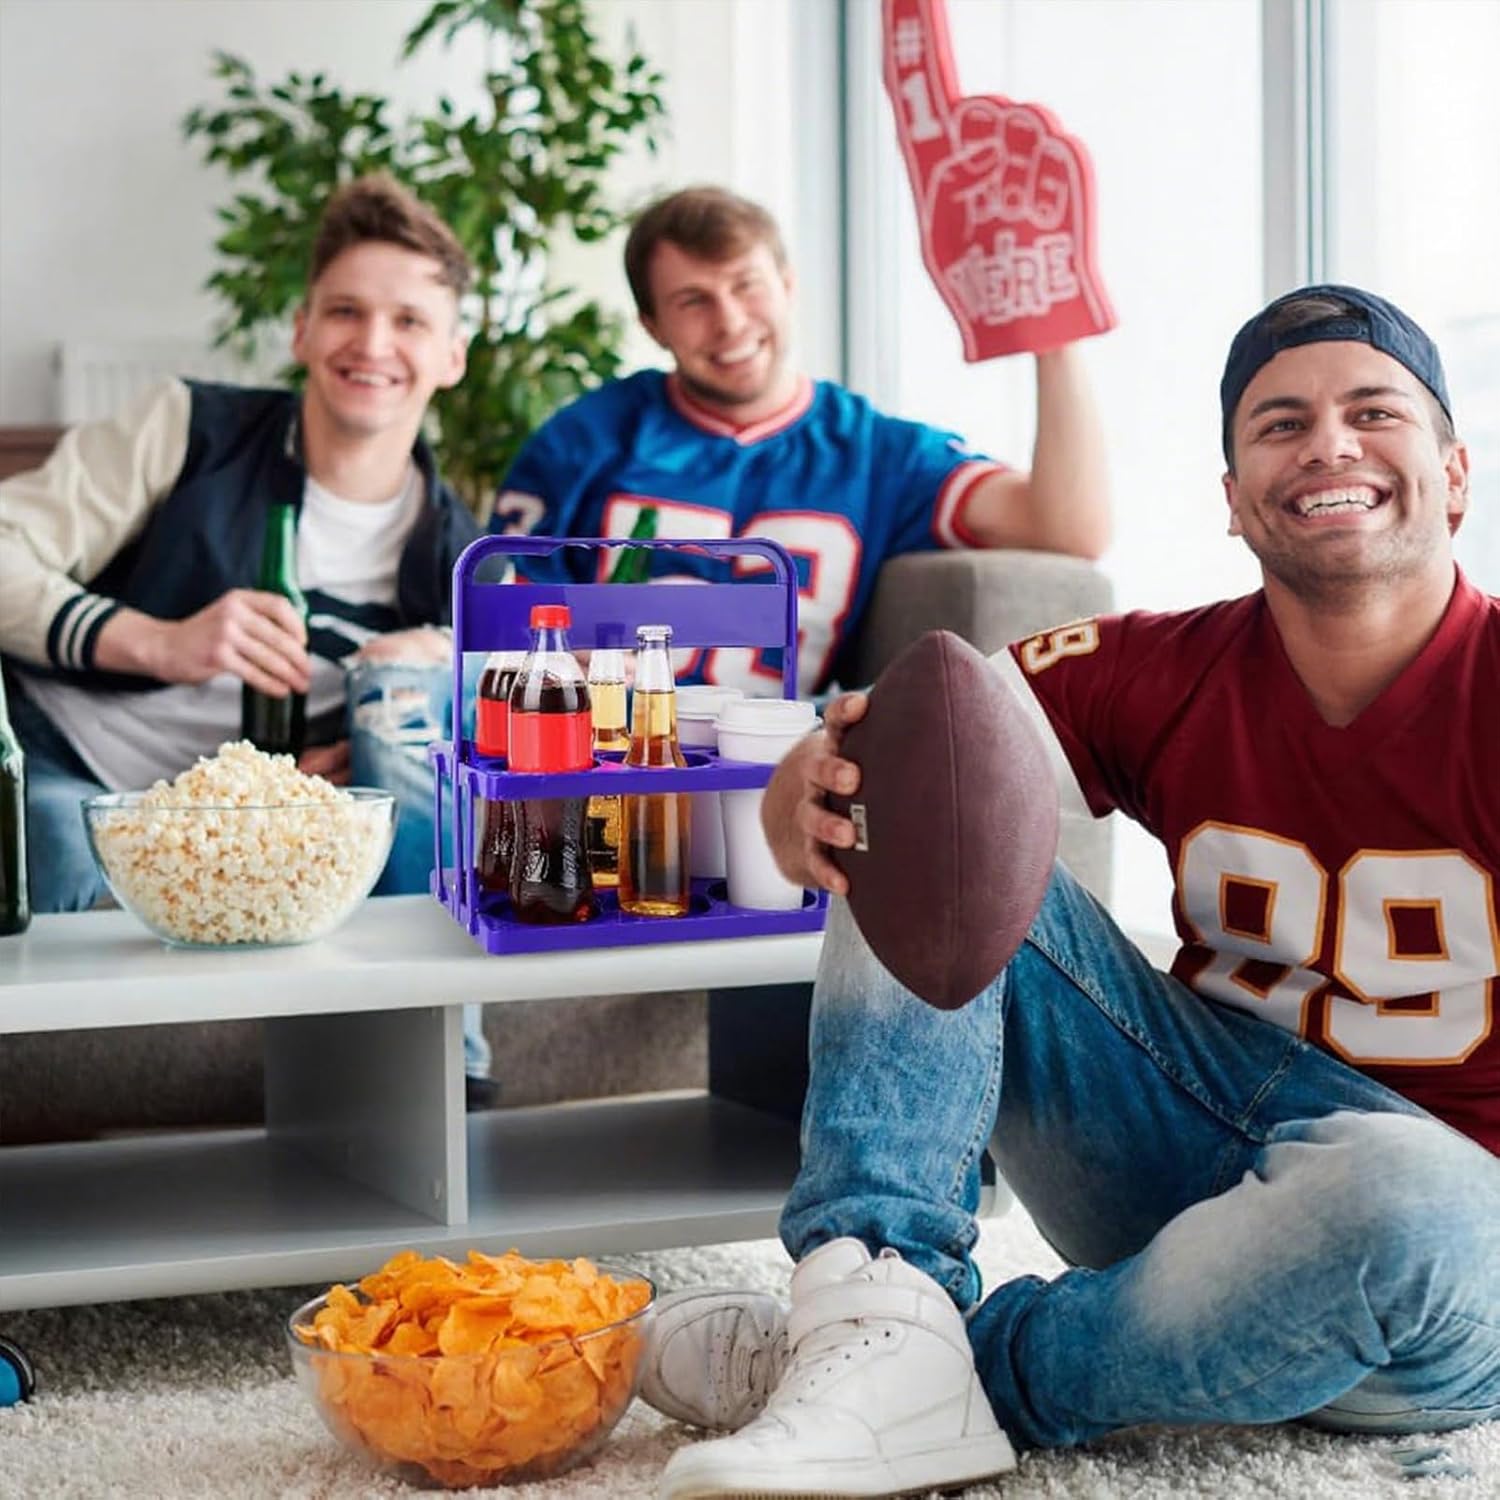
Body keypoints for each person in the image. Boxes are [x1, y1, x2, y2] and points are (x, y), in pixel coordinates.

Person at [641, 286, 1500, 1499]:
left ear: (1454, 476)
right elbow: (895, 748)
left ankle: (914, 1371)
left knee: (1405, 1200)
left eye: (1374, 412)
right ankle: (875, 1293)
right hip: (1178, 1139)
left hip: (1424, 1249)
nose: (1328, 445)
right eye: (1281, 424)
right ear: (1234, 499)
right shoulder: (1164, 663)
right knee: (919, 783)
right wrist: (799, 791)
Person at [0, 172, 499, 1100]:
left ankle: (441, 1079)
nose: (373, 344)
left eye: (409, 321)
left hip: (247, 833)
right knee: (61, 847)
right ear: (301, 331)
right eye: (345, 312)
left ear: (452, 355)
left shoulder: (463, 561)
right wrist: (151, 640)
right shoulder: (184, 426)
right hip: (64, 754)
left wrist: (362, 751)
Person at [490, 185, 1111, 698]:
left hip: (784, 766)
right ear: (652, 326)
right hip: (609, 759)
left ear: (788, 285)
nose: (730, 321)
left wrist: (1054, 337)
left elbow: (1070, 530)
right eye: (693, 300)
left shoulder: (875, 452)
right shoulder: (588, 437)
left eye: (747, 285)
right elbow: (490, 622)